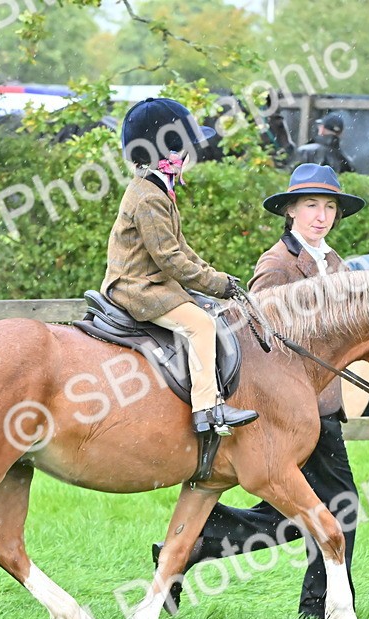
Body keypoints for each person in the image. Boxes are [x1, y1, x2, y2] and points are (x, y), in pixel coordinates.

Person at [152, 163, 366, 619]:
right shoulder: (276, 266)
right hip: (284, 409)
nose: (321, 216)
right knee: (332, 509)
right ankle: (318, 606)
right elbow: (260, 336)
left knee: (310, 508)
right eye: (311, 205)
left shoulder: (336, 264)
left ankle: (202, 541)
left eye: (329, 207)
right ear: (290, 210)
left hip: (322, 405)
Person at [102, 97, 259, 435]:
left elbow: (181, 248)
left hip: (151, 282)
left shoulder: (158, 189)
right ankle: (207, 409)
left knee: (209, 310)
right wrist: (216, 286)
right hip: (137, 288)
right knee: (200, 324)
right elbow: (170, 260)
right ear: (169, 153)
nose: (191, 156)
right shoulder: (149, 198)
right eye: (186, 148)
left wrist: (219, 279)